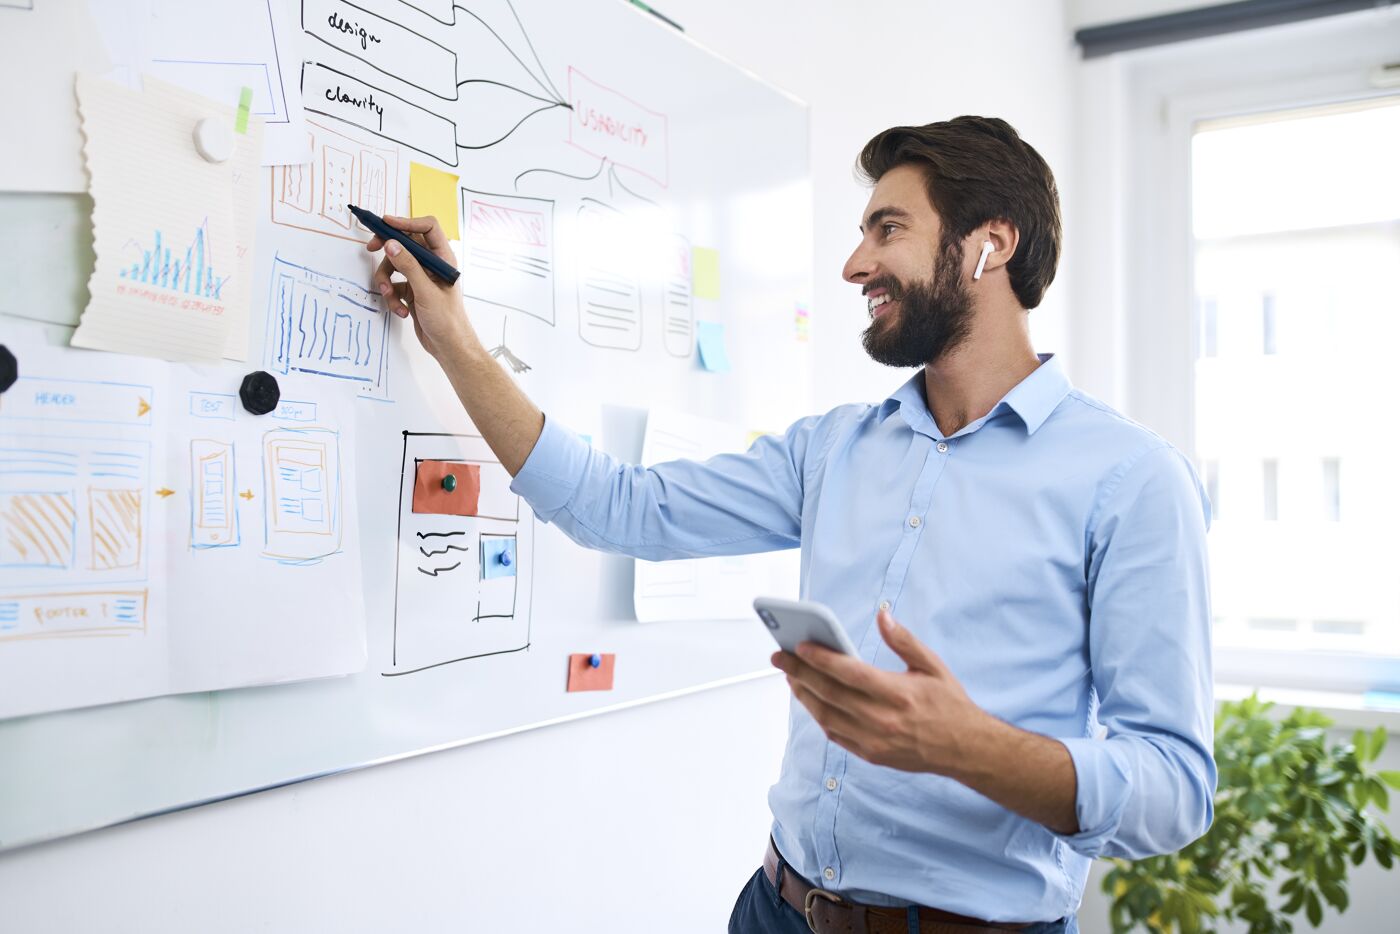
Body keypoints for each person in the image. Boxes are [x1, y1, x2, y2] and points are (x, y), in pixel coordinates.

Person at [364, 115, 1215, 934]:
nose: (855, 264)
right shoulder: (835, 449)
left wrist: (968, 746)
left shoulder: (1132, 481)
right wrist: (454, 341)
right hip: (778, 910)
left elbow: (1175, 790)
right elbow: (616, 505)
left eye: (888, 229)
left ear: (990, 244)